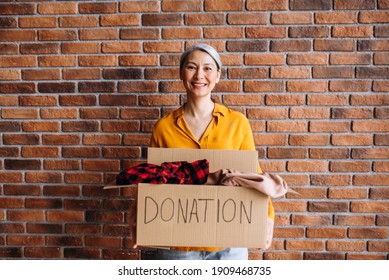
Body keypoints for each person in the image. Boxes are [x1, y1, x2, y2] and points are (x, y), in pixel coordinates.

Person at [147, 43, 274, 260]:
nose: (199, 75)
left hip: (229, 244)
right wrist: (138, 218)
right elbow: (151, 180)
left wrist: (268, 219)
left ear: (217, 76)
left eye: (207, 68)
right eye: (191, 67)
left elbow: (254, 174)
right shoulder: (163, 127)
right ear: (181, 74)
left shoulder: (237, 123)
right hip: (177, 245)